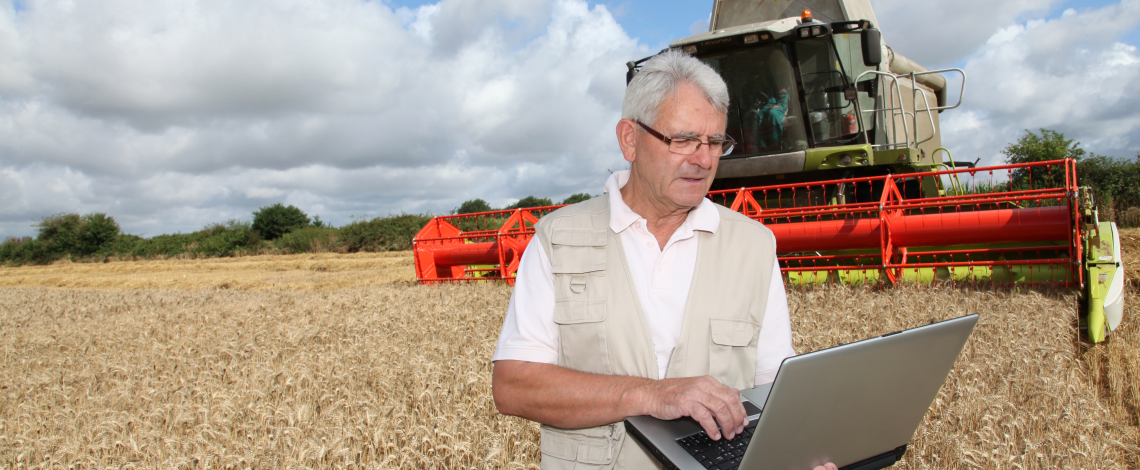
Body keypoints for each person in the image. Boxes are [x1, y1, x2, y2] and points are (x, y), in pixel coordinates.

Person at [491, 49, 836, 470]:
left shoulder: (754, 246)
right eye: (684, 139)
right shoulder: (557, 240)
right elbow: (513, 386)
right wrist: (651, 394)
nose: (704, 159)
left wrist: (800, 454)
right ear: (630, 139)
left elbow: (773, 388)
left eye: (714, 142)